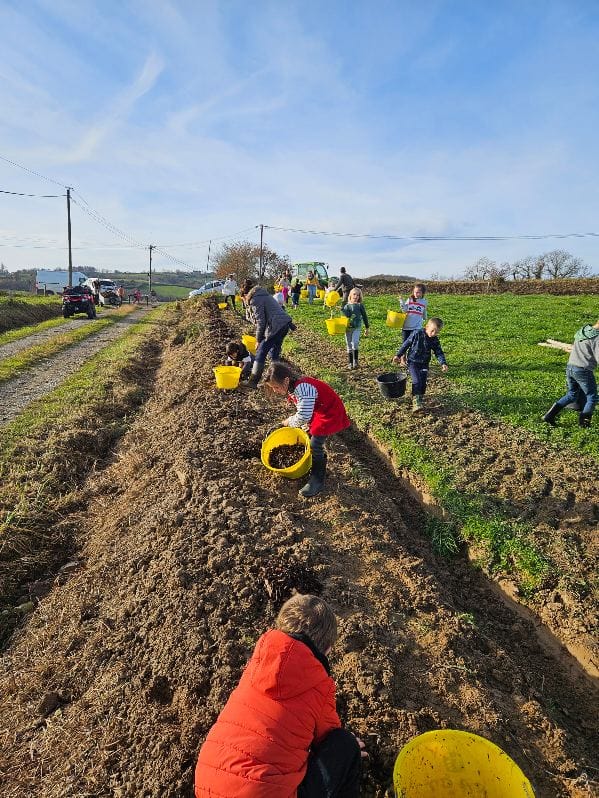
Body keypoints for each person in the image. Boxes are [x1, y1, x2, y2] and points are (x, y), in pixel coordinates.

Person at [194, 593, 365, 798]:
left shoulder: (255, 666)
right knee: (344, 744)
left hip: (207, 787)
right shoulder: (320, 686)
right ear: (327, 648)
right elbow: (328, 738)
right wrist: (350, 749)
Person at [263, 362, 351, 497]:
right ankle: (317, 460)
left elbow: (304, 414)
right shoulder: (294, 388)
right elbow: (305, 410)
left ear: (286, 380)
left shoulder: (303, 388)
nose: (275, 390)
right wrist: (304, 424)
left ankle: (317, 480)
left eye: (276, 387)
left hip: (329, 413)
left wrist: (287, 422)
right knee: (310, 435)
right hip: (320, 410)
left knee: (315, 444)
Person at [543, 319, 599, 428]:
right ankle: (584, 425)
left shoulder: (584, 330)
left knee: (572, 394)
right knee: (592, 397)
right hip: (583, 370)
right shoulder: (597, 338)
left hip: (570, 367)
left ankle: (549, 416)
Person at [240, 280, 295, 389]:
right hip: (284, 325)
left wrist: (258, 340)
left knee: (261, 352)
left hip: (276, 326)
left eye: (242, 299)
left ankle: (253, 381)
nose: (243, 301)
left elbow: (261, 322)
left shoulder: (255, 299)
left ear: (246, 295)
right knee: (274, 353)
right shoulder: (262, 294)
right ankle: (277, 381)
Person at [393, 317, 448, 412]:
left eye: (437, 332)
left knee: (422, 384)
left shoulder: (434, 340)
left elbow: (438, 352)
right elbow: (406, 344)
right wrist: (398, 355)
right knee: (417, 381)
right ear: (426, 327)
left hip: (424, 363)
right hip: (413, 362)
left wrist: (443, 363)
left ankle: (419, 398)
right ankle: (416, 403)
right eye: (432, 331)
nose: (434, 334)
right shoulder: (417, 333)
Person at [341, 287, 369, 370]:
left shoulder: (360, 305)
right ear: (350, 295)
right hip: (348, 328)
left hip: (357, 327)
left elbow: (364, 316)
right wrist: (342, 309)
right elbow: (344, 317)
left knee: (355, 342)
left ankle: (355, 361)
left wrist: (367, 328)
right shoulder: (347, 306)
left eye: (358, 295)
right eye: (354, 294)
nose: (356, 296)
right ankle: (350, 363)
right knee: (349, 344)